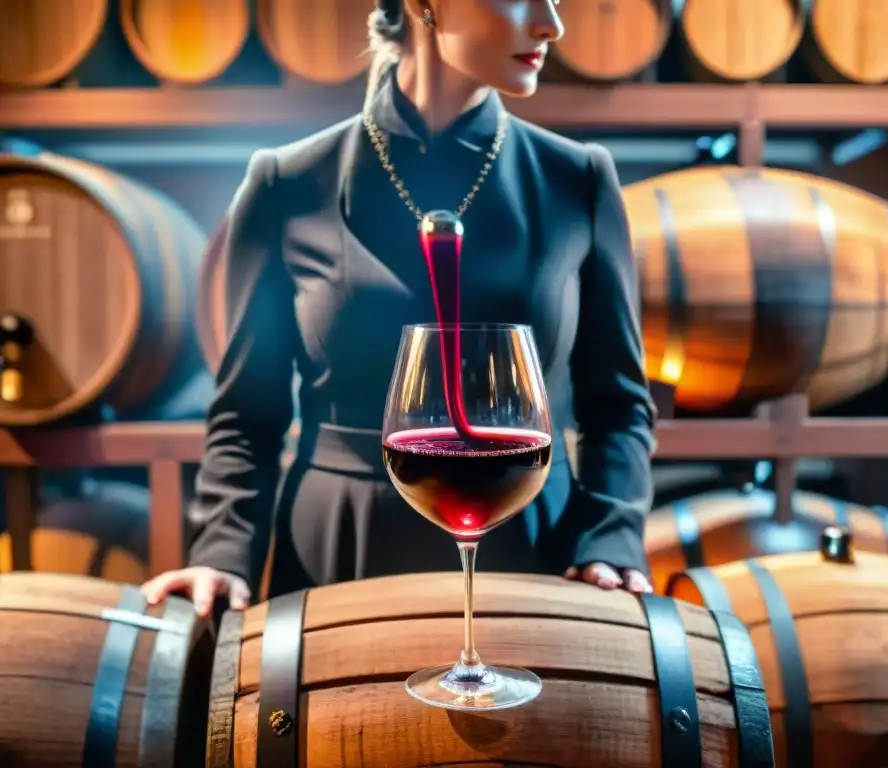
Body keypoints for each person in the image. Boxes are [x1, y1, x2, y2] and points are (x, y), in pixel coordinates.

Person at [142, 0, 657, 616]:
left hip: (531, 547)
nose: (552, 24)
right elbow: (247, 413)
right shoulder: (286, 183)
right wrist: (222, 554)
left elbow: (618, 404)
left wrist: (610, 536)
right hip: (342, 547)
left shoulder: (579, 180)